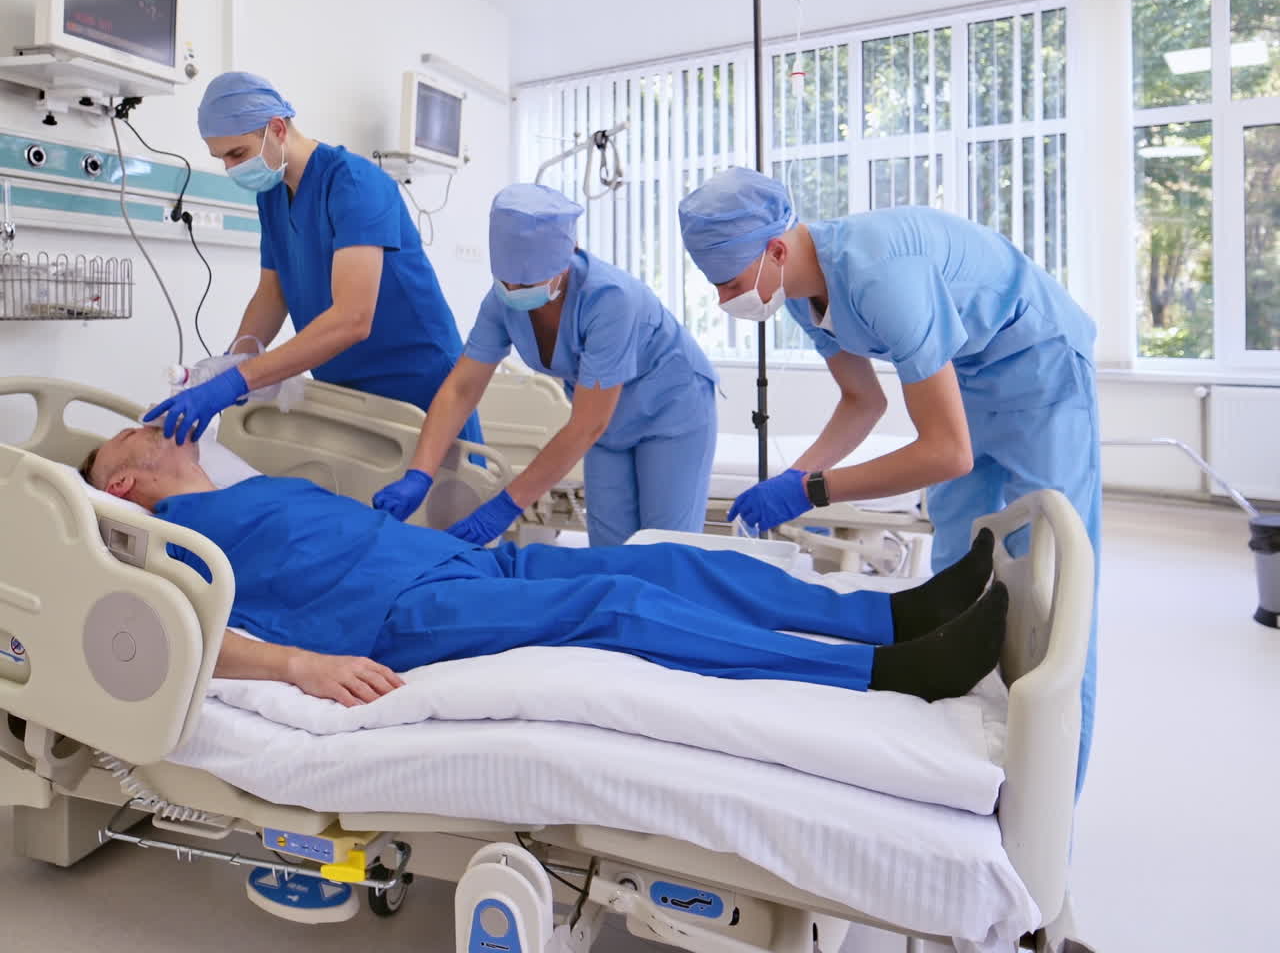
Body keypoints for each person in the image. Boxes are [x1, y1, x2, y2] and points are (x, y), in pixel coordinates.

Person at [678, 166, 1100, 793]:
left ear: (775, 251)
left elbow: (947, 452)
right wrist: (793, 476)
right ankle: (972, 742)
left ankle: (1052, 797)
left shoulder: (880, 275)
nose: (723, 301)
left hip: (1041, 366)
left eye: (729, 283)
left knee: (1053, 585)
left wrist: (813, 491)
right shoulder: (802, 295)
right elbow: (862, 402)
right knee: (960, 567)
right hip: (970, 373)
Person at [81, 424, 1007, 706]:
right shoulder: (157, 541)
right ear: (122, 482)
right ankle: (889, 672)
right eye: (130, 433)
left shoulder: (244, 484)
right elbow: (185, 633)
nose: (150, 421)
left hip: (450, 561)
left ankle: (889, 614)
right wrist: (297, 666)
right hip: (398, 617)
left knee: (661, 562)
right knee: (614, 605)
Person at [142, 72, 482, 449]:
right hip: (347, 385)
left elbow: (353, 318)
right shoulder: (272, 196)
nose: (230, 168)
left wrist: (241, 379)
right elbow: (272, 295)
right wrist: (229, 364)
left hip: (418, 382)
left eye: (237, 154)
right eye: (221, 158)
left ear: (277, 129)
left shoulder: (355, 183)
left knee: (442, 483)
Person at [373, 183, 719, 547]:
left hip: (671, 409)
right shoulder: (501, 302)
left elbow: (587, 424)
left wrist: (506, 506)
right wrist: (419, 473)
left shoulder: (609, 300)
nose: (513, 290)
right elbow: (461, 389)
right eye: (506, 279)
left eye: (527, 281)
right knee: (609, 550)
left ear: (564, 260)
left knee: (665, 548)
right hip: (606, 426)